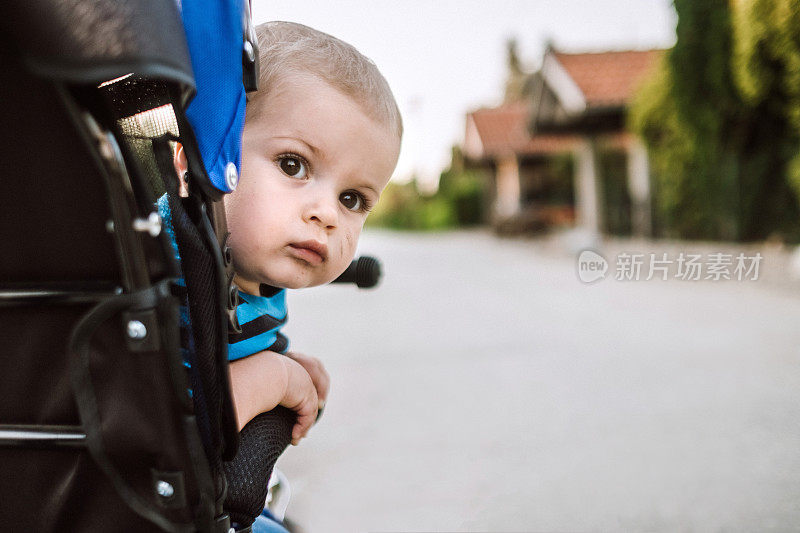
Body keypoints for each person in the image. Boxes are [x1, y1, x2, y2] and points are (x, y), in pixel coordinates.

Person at [166, 20, 402, 532]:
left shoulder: (242, 271)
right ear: (203, 155)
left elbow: (226, 352)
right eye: (293, 164)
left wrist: (283, 365)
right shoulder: (164, 260)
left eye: (353, 199)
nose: (327, 214)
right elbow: (157, 432)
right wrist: (271, 379)